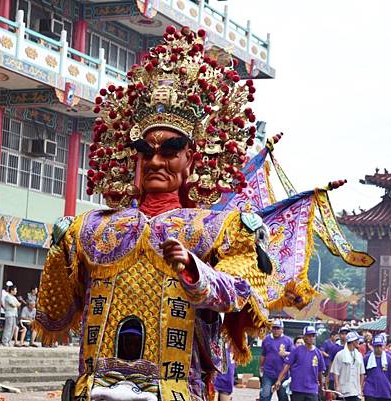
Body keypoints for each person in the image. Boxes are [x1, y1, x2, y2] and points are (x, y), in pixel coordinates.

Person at [34, 25, 313, 401]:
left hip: (175, 389)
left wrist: (193, 268)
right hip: (96, 389)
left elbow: (240, 293)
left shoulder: (223, 229)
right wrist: (59, 254)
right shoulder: (89, 228)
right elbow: (54, 315)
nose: (155, 161)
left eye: (170, 150)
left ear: (191, 160)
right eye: (146, 152)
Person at [274, 326, 326, 401]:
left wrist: (321, 386)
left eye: (313, 336)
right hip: (297, 388)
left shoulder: (318, 353)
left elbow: (320, 372)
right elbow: (287, 366)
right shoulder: (297, 351)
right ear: (304, 337)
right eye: (309, 335)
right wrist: (279, 380)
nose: (311, 338)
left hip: (312, 389)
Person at [259, 320, 293, 401]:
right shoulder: (266, 339)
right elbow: (263, 355)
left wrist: (286, 353)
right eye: (274, 328)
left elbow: (293, 354)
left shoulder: (288, 340)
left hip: (283, 375)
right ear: (271, 329)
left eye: (278, 328)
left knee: (283, 397)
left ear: (282, 329)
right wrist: (260, 368)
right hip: (268, 373)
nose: (276, 330)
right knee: (265, 396)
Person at [331, 331, 365, 401]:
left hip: (355, 391)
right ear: (352, 341)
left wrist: (360, 388)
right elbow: (336, 372)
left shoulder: (359, 355)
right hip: (343, 391)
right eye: (357, 340)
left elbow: (362, 373)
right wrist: (337, 387)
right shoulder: (340, 355)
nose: (358, 342)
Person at [363, 334, 391, 401]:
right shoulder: (367, 358)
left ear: (383, 346)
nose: (378, 349)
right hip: (370, 391)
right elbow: (362, 373)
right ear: (373, 346)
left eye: (380, 346)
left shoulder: (389, 358)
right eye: (376, 346)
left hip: (386, 391)